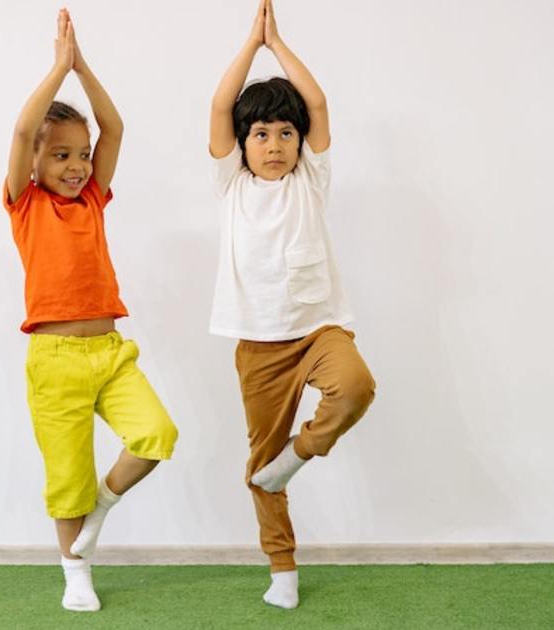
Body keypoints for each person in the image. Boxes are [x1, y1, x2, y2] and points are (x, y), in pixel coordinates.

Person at [3, 8, 178, 612]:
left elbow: (115, 126)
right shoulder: (25, 205)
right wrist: (56, 70)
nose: (77, 166)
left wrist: (82, 66)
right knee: (68, 478)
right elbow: (25, 132)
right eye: (61, 157)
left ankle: (103, 508)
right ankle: (75, 570)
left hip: (109, 352)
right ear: (34, 166)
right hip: (53, 360)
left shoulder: (94, 201)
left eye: (81, 155)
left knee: (157, 434)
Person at [209, 0, 376, 609]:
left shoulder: (312, 179)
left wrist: (278, 46)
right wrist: (250, 47)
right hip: (258, 343)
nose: (274, 144)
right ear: (244, 145)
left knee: (356, 386)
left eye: (285, 133)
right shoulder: (231, 185)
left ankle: (300, 452)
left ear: (301, 143)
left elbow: (320, 104)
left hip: (318, 328)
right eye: (261, 135)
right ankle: (282, 569)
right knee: (261, 463)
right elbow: (221, 107)